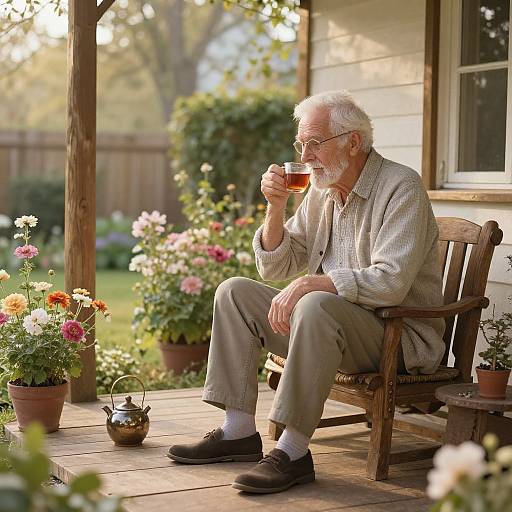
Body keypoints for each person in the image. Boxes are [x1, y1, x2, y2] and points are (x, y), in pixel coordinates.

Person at [168, 90, 445, 494]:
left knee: (315, 302)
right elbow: (278, 264)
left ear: (353, 142)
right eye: (301, 144)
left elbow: (392, 281)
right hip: (324, 325)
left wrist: (313, 284)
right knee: (234, 292)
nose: (306, 153)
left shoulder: (401, 187)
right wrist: (276, 207)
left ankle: (293, 452)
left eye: (314, 143)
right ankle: (238, 431)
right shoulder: (321, 189)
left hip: (395, 336)